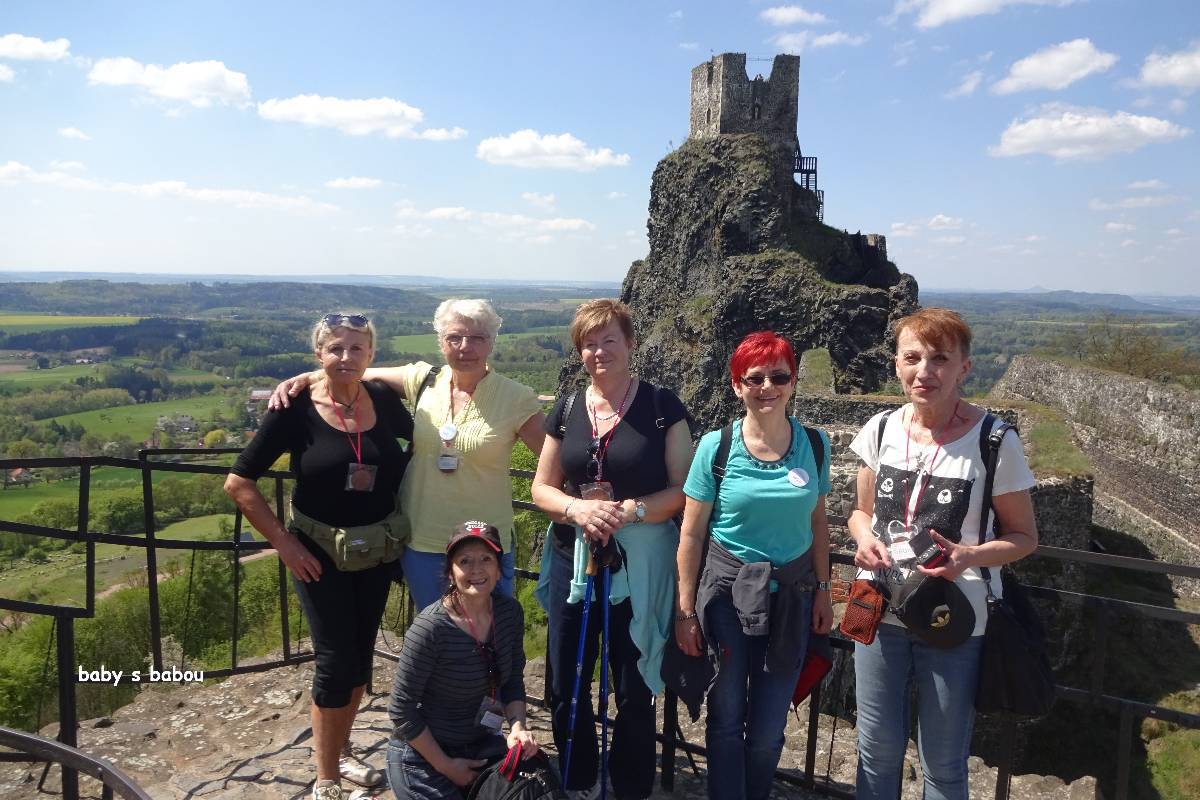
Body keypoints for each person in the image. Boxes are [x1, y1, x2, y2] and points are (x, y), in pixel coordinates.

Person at [847, 307, 1038, 800]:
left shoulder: (993, 441)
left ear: (963, 368)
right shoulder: (881, 429)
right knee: (875, 750)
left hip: (954, 616)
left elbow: (1024, 537)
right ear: (896, 364)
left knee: (944, 763)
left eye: (939, 359)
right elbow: (861, 513)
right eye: (912, 358)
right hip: (878, 605)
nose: (924, 371)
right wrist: (864, 539)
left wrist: (969, 556)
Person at [225, 313, 413, 800]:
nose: (346, 357)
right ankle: (326, 779)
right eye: (335, 349)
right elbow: (239, 483)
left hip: (376, 552)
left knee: (360, 658)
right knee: (335, 663)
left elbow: (425, 433)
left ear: (371, 355)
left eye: (356, 349)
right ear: (318, 354)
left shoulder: (384, 400)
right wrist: (284, 545)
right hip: (316, 555)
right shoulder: (294, 408)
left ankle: (342, 751)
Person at [271, 298, 545, 609]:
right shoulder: (424, 380)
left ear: (491, 343)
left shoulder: (516, 398)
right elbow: (357, 369)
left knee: (489, 630)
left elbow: (552, 461)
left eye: (477, 338)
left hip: (485, 544)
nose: (465, 347)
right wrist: (310, 377)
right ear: (441, 342)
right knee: (433, 630)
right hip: (422, 540)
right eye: (454, 337)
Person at [531, 299, 692, 800]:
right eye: (588, 343)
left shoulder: (662, 406)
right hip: (574, 557)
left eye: (609, 340)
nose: (599, 351)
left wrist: (628, 511)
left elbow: (682, 490)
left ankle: (629, 786)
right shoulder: (567, 408)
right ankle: (576, 778)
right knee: (566, 677)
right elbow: (542, 487)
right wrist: (578, 510)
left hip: (639, 564)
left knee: (633, 682)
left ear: (630, 343)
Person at [675, 331, 833, 800]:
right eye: (755, 378)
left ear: (793, 382)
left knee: (768, 728)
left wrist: (825, 590)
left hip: (792, 598)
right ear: (737, 386)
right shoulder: (716, 447)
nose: (768, 387)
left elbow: (819, 523)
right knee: (726, 717)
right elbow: (691, 534)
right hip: (727, 598)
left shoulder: (815, 445)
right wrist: (685, 611)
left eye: (779, 377)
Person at [387, 522, 538, 799]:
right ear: (450, 571)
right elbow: (401, 710)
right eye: (464, 561)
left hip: (480, 745)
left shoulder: (509, 614)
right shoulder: (430, 629)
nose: (476, 569)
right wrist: (447, 766)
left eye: (486, 559)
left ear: (499, 568)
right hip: (423, 756)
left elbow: (513, 681)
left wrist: (518, 727)